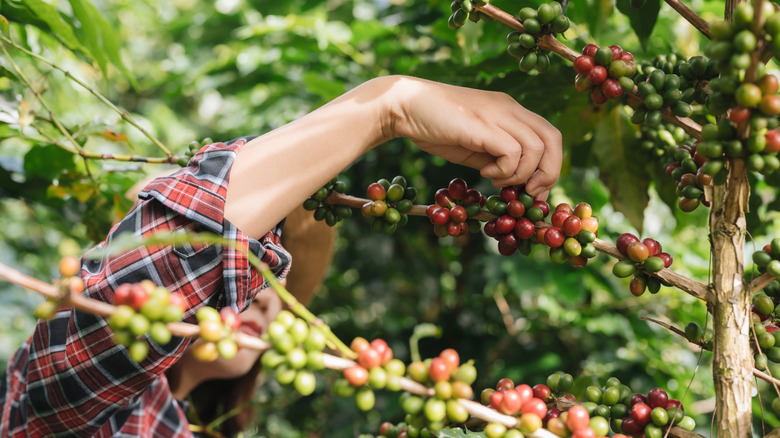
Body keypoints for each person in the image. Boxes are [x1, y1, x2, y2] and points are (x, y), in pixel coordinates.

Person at [0, 75, 562, 437]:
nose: (266, 295)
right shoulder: (76, 400)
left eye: (273, 274)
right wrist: (385, 108)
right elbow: (166, 259)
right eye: (256, 265)